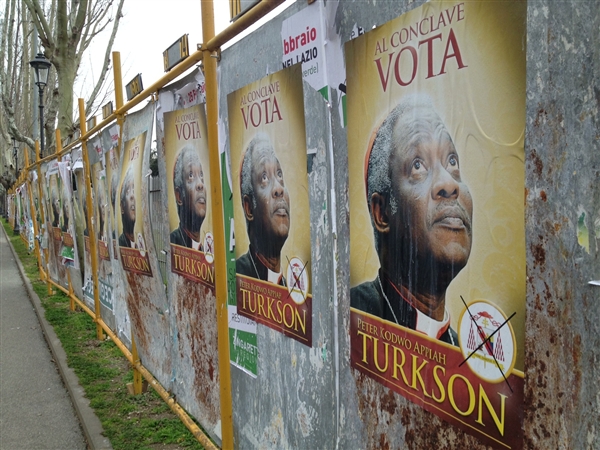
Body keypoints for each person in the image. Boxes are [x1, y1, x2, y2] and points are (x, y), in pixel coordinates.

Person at [351, 95, 473, 346]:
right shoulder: (352, 314)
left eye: (452, 161)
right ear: (381, 213)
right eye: (418, 166)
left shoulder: (469, 358)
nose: (449, 184)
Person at [236, 133, 289, 286]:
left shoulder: (291, 287)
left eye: (279, 174)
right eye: (264, 178)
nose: (279, 188)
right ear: (249, 207)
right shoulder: (239, 275)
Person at [169, 146, 207, 250]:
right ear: (179, 196)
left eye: (201, 174)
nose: (200, 184)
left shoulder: (205, 250)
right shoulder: (173, 243)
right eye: (191, 175)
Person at [118, 168, 136, 248]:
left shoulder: (146, 239)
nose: (132, 196)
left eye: (134, 190)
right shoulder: (120, 242)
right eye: (128, 191)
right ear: (122, 206)